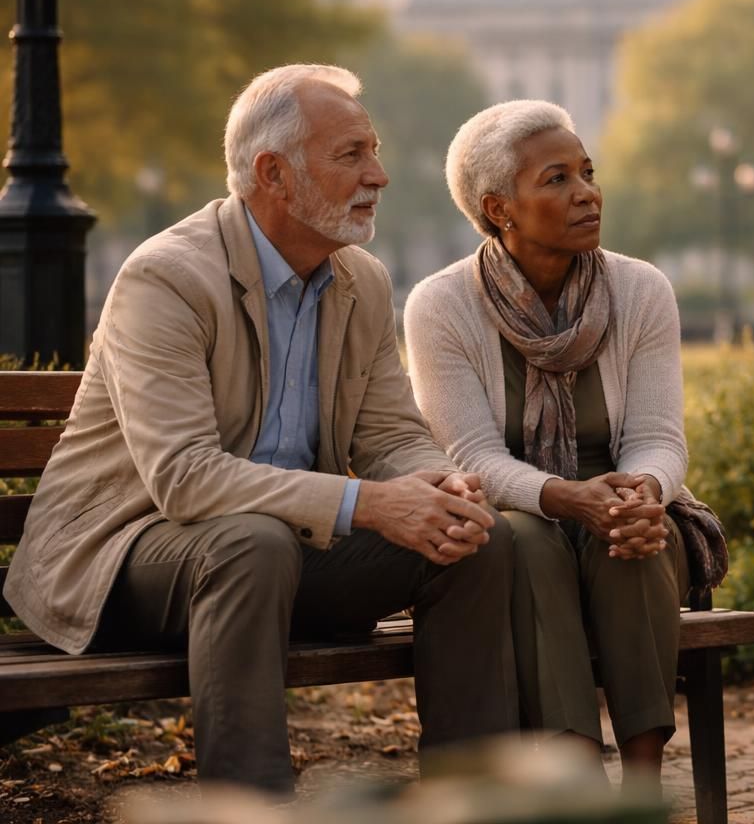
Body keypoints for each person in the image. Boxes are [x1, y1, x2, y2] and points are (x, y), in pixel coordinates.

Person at [2, 65, 521, 795]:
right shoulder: (167, 279)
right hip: (124, 558)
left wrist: (442, 483)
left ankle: (473, 801)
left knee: (476, 539)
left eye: (373, 151)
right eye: (351, 155)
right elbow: (183, 477)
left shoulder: (360, 280)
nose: (379, 174)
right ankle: (251, 810)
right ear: (273, 173)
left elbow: (390, 433)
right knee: (252, 540)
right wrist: (370, 503)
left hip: (281, 555)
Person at [403, 99, 689, 796]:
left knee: (631, 537)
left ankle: (644, 788)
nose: (587, 192)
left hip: (620, 504)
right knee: (526, 542)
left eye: (587, 173)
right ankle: (579, 785)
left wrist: (644, 491)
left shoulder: (641, 289)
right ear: (499, 209)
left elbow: (658, 439)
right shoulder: (440, 305)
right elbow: (467, 455)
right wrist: (563, 498)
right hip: (514, 511)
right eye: (557, 179)